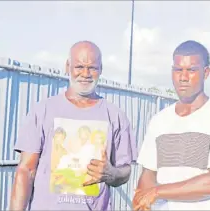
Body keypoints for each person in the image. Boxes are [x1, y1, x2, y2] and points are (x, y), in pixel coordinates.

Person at [9, 41, 137, 211]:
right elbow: (26, 170)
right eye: (79, 66)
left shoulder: (115, 116)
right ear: (67, 66)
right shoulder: (44, 111)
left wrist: (112, 174)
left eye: (92, 67)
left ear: (101, 69)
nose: (85, 73)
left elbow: (125, 171)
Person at [133, 40, 210, 210]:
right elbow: (148, 174)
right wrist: (142, 198)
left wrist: (157, 192)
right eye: (178, 70)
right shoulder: (159, 121)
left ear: (206, 73)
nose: (183, 77)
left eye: (191, 70)